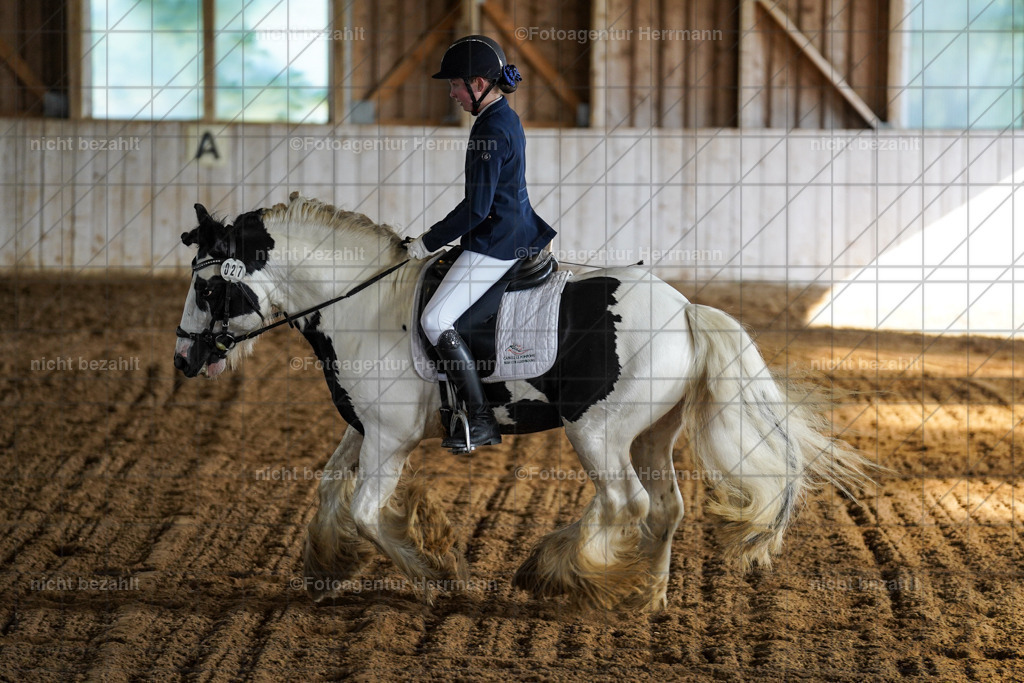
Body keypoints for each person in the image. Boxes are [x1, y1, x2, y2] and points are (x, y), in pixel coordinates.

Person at [407, 35, 556, 452]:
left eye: (455, 84)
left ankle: (480, 419)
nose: (451, 93)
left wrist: (427, 241)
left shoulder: (491, 128)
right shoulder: (502, 116)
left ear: (478, 83)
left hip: (498, 241)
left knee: (435, 320)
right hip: (508, 229)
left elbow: (476, 208)